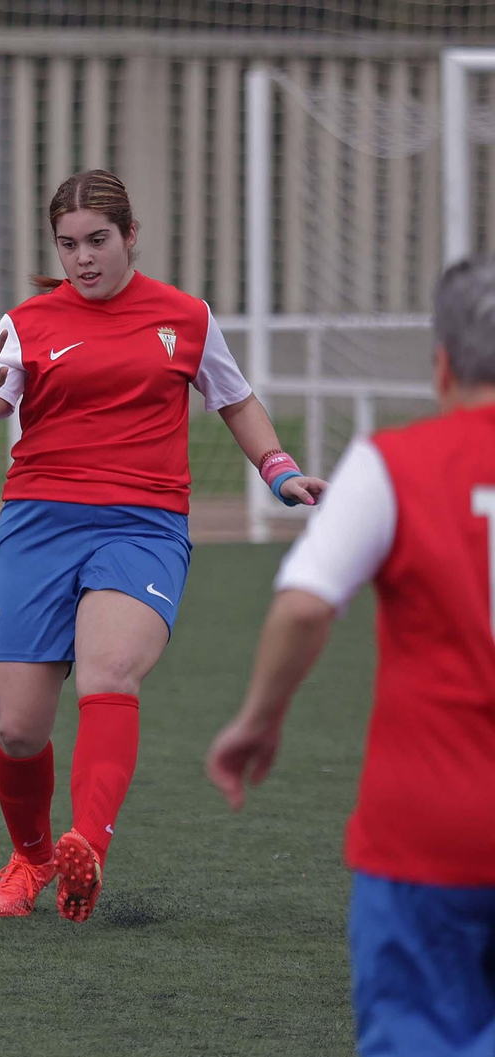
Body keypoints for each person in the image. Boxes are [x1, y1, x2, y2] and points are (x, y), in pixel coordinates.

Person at [0, 169, 327, 923]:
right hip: (38, 523)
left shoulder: (186, 317)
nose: (83, 258)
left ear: (130, 235)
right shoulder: (26, 323)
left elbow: (236, 400)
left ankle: (86, 847)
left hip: (142, 525)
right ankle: (31, 857)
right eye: (68, 245)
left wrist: (279, 471)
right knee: (18, 728)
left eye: (97, 240)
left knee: (110, 670)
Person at [206, 257, 495, 1056]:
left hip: (426, 832)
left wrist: (258, 721)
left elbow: (305, 604)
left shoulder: (392, 464)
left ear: (441, 366)